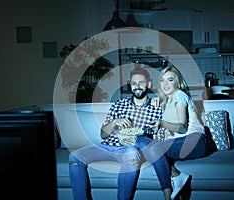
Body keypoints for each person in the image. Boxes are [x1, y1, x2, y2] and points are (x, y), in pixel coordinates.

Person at [68, 67, 162, 200]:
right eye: (134, 84)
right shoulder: (119, 104)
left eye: (141, 83)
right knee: (74, 157)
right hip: (108, 146)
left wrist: (138, 138)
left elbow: (158, 139)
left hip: (129, 149)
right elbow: (103, 135)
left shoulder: (156, 108)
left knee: (131, 154)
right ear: (130, 85)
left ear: (149, 84)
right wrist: (114, 122)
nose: (137, 87)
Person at [135, 66, 206, 200]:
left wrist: (161, 123)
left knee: (155, 148)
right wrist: (156, 102)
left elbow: (182, 128)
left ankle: (167, 196)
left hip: (195, 141)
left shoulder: (179, 94)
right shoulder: (166, 101)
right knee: (139, 140)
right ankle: (177, 175)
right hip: (181, 144)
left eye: (170, 79)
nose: (165, 84)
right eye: (162, 80)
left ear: (177, 83)